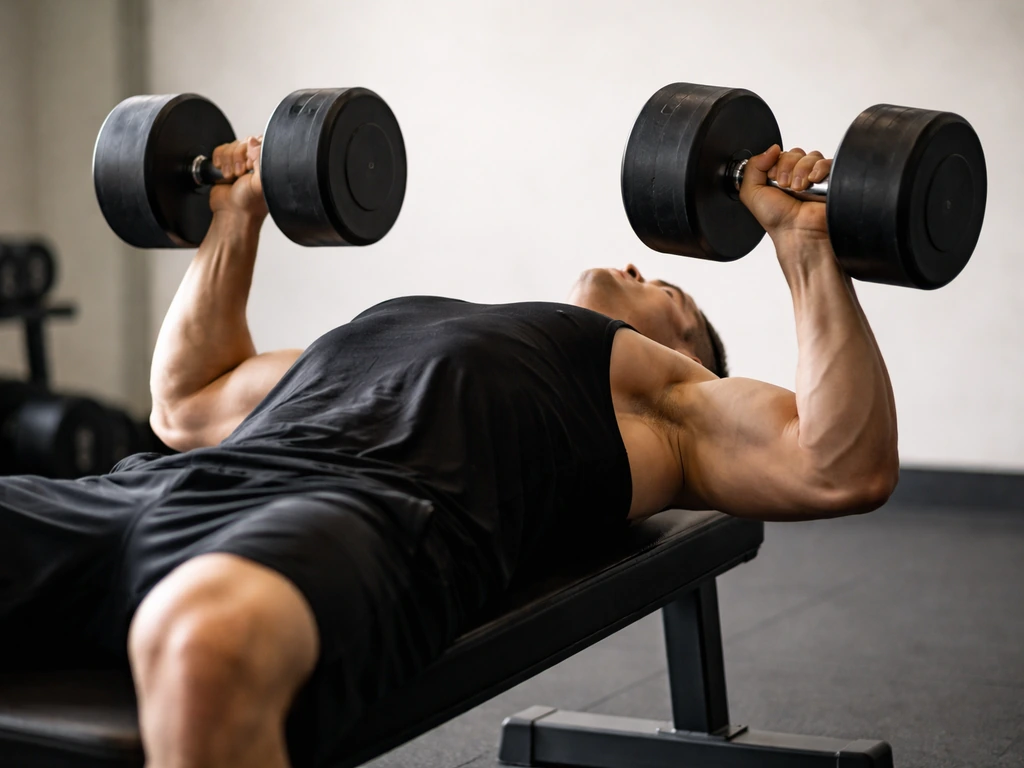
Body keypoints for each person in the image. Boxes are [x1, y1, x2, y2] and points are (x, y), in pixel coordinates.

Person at [0, 135, 898, 768]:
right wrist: (237, 218)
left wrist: (804, 244)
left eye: (667, 288)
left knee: (199, 644)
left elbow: (837, 462)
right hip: (154, 487)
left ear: (687, 351)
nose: (635, 265)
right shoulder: (405, 323)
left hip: (352, 515)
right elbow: (189, 399)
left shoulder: (663, 397)